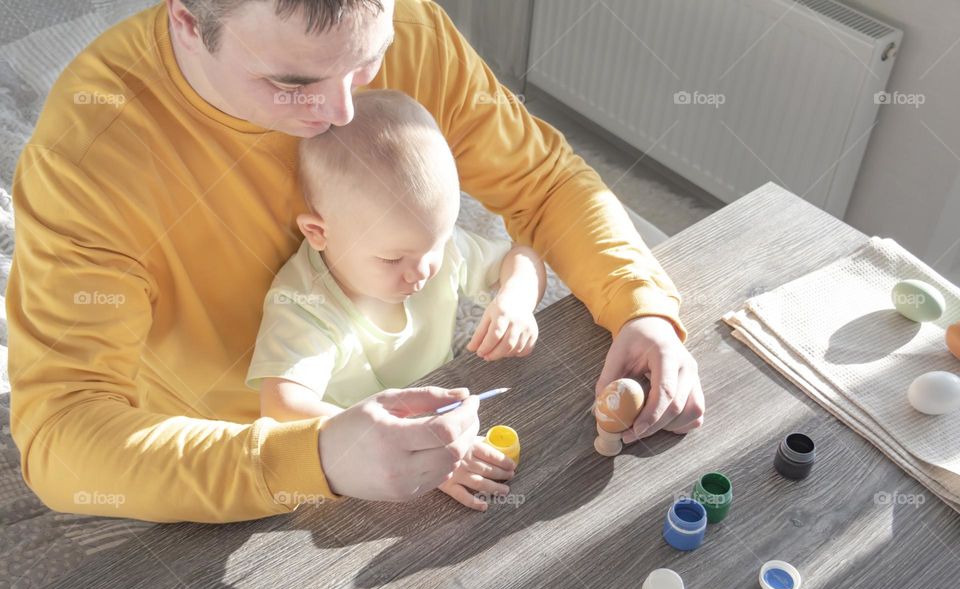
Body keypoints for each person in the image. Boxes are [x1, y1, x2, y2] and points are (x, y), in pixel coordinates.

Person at [7, 0, 704, 523]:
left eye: (368, 61)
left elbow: (543, 183)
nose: (342, 109)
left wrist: (639, 304)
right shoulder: (91, 154)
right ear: (187, 21)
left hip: (414, 408)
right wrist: (312, 458)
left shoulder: (416, 32)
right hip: (215, 458)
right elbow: (62, 430)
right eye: (291, 81)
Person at [249, 89, 545, 509]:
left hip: (444, 400)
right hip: (362, 472)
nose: (422, 271)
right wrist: (408, 445)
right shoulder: (303, 304)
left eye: (436, 243)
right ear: (319, 233)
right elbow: (281, 407)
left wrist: (515, 301)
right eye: (392, 259)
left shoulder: (424, 248)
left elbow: (523, 257)